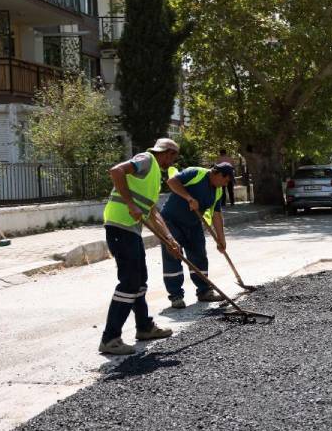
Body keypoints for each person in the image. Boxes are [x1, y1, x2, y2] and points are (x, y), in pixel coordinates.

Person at [100, 138, 182, 356]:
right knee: (129, 282)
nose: (173, 160)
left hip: (131, 229)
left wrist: (170, 240)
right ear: (168, 153)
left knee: (139, 281)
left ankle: (144, 327)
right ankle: (110, 338)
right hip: (120, 225)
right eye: (174, 156)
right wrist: (129, 203)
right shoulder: (146, 159)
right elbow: (116, 171)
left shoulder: (154, 175)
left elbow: (153, 212)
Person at [161, 162, 235, 309]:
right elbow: (172, 181)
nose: (226, 184)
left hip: (193, 224)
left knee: (199, 255)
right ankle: (176, 296)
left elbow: (216, 214)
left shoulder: (218, 191)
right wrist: (189, 198)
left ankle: (204, 291)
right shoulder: (195, 172)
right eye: (226, 180)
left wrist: (221, 239)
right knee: (174, 255)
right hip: (171, 220)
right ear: (218, 174)